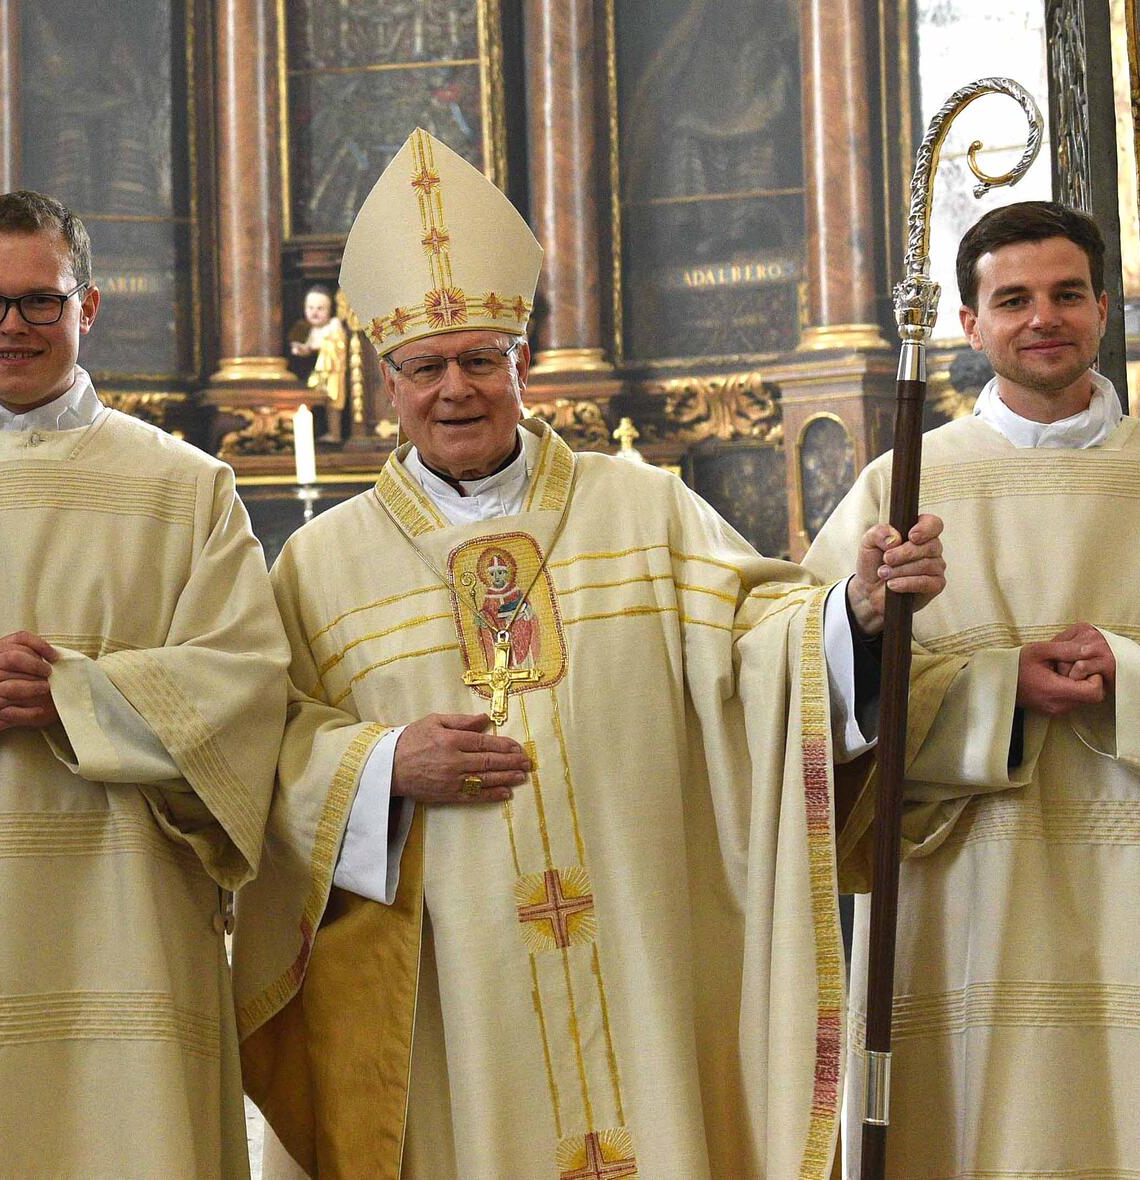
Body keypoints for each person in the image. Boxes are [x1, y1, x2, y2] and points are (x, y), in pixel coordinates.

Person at [233, 130, 945, 1180]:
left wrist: (858, 615)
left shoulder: (641, 507)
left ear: (522, 365)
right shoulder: (321, 566)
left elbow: (756, 655)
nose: (456, 389)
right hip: (451, 995)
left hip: (641, 952)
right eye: (426, 367)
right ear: (387, 384)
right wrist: (381, 767)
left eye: (482, 360)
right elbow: (271, 749)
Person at [805, 200, 1140, 1178]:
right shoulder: (901, 482)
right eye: (1013, 299)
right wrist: (988, 685)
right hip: (964, 892)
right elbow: (799, 684)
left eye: (1067, 293)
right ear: (968, 324)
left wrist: (1125, 669)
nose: (1044, 317)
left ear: (1104, 308)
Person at [0, 190, 288, 1177]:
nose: (12, 327)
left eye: (40, 302)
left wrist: (77, 694)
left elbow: (245, 682)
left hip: (129, 913)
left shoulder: (184, 485)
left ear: (88, 307)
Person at [289, 285, 348, 442]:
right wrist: (301, 350)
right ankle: (312, 432)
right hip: (319, 373)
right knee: (312, 400)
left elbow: (333, 343)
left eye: (320, 308)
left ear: (330, 310)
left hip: (333, 371)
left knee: (333, 403)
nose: (314, 312)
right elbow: (309, 349)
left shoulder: (334, 324)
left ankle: (335, 434)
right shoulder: (312, 330)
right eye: (310, 308)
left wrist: (309, 347)